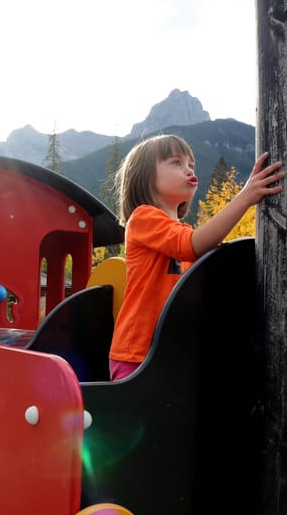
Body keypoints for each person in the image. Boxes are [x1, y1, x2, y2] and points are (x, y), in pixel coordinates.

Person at [109, 134, 284, 381]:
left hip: (173, 353)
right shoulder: (143, 219)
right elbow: (191, 246)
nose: (189, 169)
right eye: (176, 163)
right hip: (138, 353)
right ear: (145, 175)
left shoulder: (183, 232)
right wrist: (245, 197)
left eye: (191, 164)